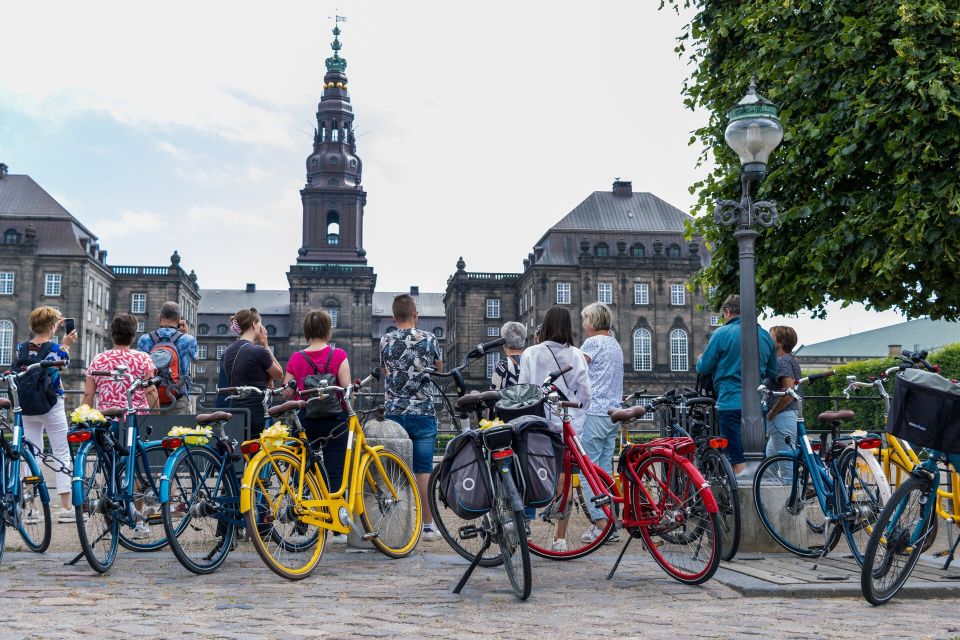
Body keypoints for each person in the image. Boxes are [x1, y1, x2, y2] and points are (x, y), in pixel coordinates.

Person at [518, 305, 591, 553]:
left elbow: (523, 389)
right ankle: (560, 538)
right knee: (565, 478)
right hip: (569, 424)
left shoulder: (531, 353)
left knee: (532, 470)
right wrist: (577, 412)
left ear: (546, 325)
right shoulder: (577, 354)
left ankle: (525, 522)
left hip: (539, 424)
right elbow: (585, 393)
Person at [379, 294, 442, 541]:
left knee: (393, 471)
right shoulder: (429, 339)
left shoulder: (385, 339)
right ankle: (427, 526)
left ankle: (395, 525)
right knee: (423, 471)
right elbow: (439, 368)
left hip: (394, 413)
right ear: (416, 315)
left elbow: (385, 370)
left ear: (394, 317)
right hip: (423, 412)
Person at [695, 295, 778, 475]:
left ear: (727, 312)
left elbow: (704, 367)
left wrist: (700, 359)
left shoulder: (721, 334)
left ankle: (741, 500)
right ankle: (758, 496)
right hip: (757, 405)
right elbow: (772, 372)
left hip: (729, 403)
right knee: (756, 458)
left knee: (737, 459)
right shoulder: (764, 335)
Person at [17, 307, 77, 523]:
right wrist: (66, 344)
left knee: (32, 454)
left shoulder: (21, 348)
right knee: (61, 452)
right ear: (53, 326)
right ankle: (66, 507)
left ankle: (31, 508)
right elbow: (62, 364)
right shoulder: (57, 349)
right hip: (51, 405)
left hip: (26, 407)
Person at [284, 310, 351, 492]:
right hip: (335, 422)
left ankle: (301, 515)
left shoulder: (296, 358)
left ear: (306, 332)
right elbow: (347, 390)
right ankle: (336, 516)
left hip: (305, 420)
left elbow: (287, 393)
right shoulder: (339, 355)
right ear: (329, 331)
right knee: (336, 474)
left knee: (300, 471)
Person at [577, 303, 623, 544]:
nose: (583, 325)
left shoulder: (592, 343)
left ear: (592, 322)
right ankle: (611, 521)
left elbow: (575, 370)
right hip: (613, 413)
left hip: (594, 412)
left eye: (585, 320)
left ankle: (601, 523)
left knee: (587, 471)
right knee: (605, 471)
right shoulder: (615, 344)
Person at [221, 308, 283, 438]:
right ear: (254, 324)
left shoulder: (227, 352)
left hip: (235, 408)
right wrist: (266, 346)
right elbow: (279, 373)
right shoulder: (258, 351)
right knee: (258, 453)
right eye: (260, 323)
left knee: (240, 448)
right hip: (255, 409)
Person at [83, 314, 159, 413]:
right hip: (137, 419)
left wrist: (83, 419)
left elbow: (88, 394)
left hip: (106, 419)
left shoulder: (99, 359)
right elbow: (150, 392)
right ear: (133, 336)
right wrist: (157, 419)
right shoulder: (143, 358)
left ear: (112, 334)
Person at [137, 301, 198, 413]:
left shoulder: (144, 339)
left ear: (160, 317)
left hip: (151, 396)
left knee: (151, 429)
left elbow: (139, 367)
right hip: (178, 396)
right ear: (179, 319)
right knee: (179, 430)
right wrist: (186, 333)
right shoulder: (187, 340)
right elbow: (195, 360)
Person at [764, 325, 802, 457]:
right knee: (770, 465)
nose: (767, 340)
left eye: (770, 337)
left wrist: (772, 412)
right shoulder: (788, 359)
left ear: (780, 343)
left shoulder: (782, 361)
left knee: (786, 466)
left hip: (782, 417)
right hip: (784, 416)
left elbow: (789, 392)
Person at [489, 321, 526, 391]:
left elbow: (493, 393)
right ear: (523, 343)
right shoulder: (531, 361)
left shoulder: (503, 365)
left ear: (504, 344)